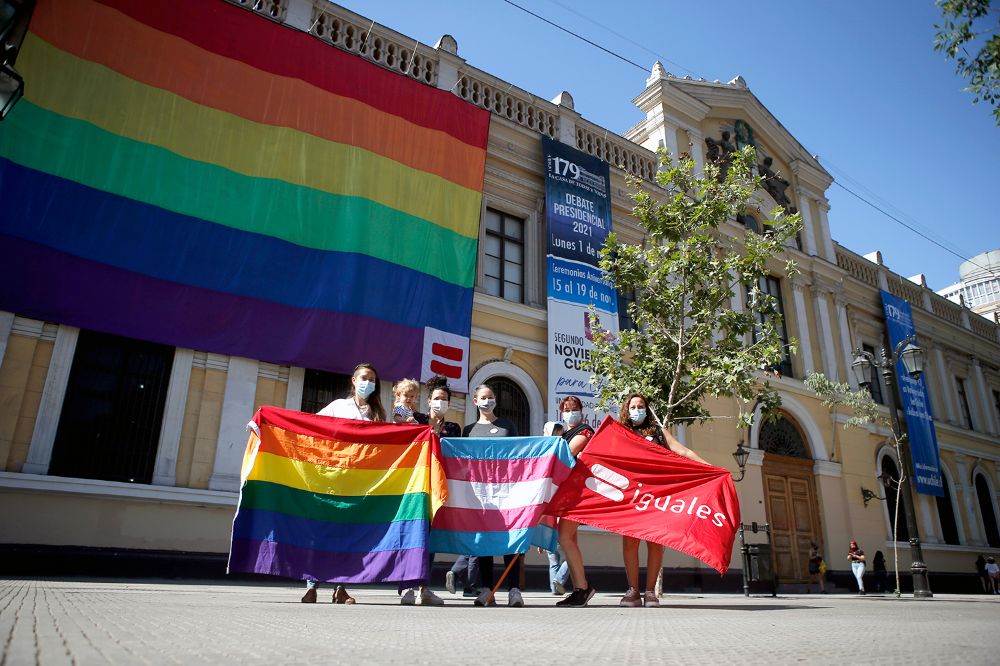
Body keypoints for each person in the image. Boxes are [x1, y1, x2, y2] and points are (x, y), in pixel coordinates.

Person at [304, 362, 387, 604]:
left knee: (349, 535)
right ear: (353, 380)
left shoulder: (377, 415)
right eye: (364, 377)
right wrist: (267, 424)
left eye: (372, 379)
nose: (368, 383)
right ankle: (312, 586)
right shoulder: (338, 407)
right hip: (332, 479)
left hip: (359, 484)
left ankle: (341, 588)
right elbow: (309, 427)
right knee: (322, 532)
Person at [615, 393, 709, 608]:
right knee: (630, 542)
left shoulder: (657, 431)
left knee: (655, 542)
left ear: (647, 409)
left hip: (656, 494)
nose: (637, 410)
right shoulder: (620, 432)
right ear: (626, 410)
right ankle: (633, 591)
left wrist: (709, 467)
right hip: (631, 494)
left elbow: (682, 450)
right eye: (633, 406)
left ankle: (650, 593)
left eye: (641, 406)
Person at [399, 375, 459, 606]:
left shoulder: (454, 428)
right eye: (436, 398)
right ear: (428, 401)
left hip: (438, 488)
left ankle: (424, 588)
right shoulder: (417, 420)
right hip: (414, 485)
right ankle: (406, 588)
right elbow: (398, 421)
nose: (440, 402)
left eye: (444, 399)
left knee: (430, 540)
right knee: (411, 535)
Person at [462, 384, 522, 607]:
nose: (488, 400)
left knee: (511, 540)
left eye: (491, 396)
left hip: (507, 490)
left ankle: (514, 589)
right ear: (475, 401)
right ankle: (487, 589)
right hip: (480, 493)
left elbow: (519, 455)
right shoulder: (468, 430)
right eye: (483, 397)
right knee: (484, 541)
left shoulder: (507, 425)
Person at [553, 396, 598, 607]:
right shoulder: (564, 434)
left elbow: (568, 454)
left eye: (574, 409)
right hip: (567, 494)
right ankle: (578, 589)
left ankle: (583, 587)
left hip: (578, 495)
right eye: (566, 409)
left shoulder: (585, 431)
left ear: (582, 411)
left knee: (564, 537)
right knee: (569, 540)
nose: (570, 413)